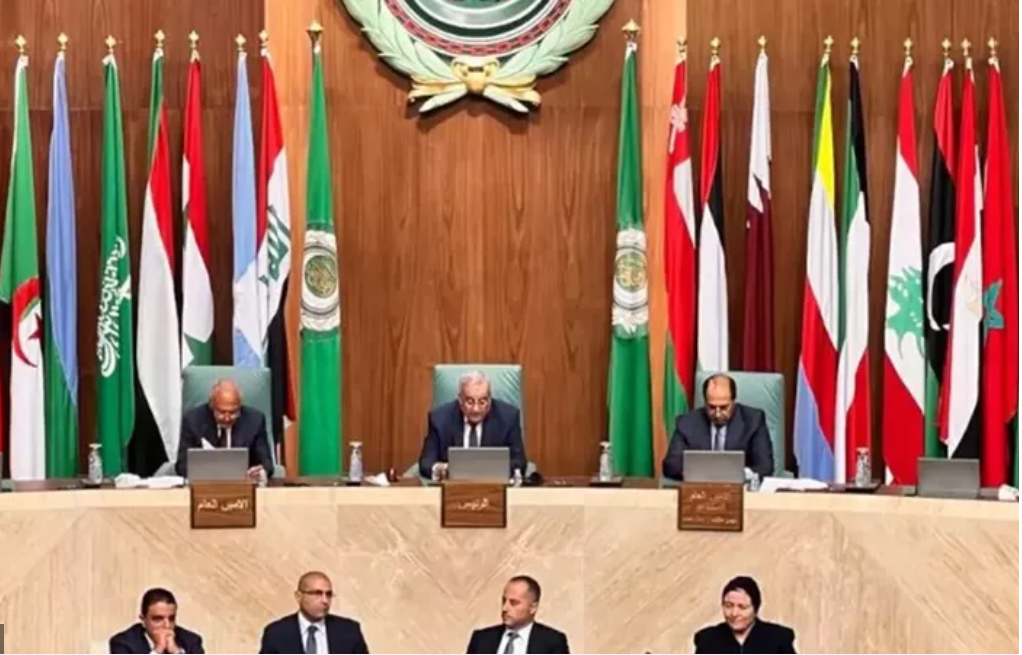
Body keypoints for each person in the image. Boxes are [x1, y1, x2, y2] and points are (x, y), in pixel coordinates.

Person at [662, 374, 774, 480]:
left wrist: (731, 475)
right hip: (700, 488)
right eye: (712, 407)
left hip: (741, 488)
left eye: (724, 407)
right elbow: (671, 465)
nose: (718, 414)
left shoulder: (753, 421)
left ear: (733, 401)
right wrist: (707, 474)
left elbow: (765, 467)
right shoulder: (686, 423)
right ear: (705, 402)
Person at [417, 371, 527, 480]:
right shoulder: (439, 419)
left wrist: (486, 470)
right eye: (470, 402)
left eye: (482, 402)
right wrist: (442, 469)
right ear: (460, 400)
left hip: (493, 485)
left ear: (489, 400)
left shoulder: (508, 418)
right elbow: (426, 462)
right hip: (453, 485)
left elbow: (519, 462)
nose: (476, 409)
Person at [175, 379, 274, 480]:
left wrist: (260, 472)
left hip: (242, 484)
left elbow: (267, 464)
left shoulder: (255, 420)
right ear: (212, 405)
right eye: (221, 412)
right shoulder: (192, 420)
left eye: (233, 412)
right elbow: (182, 465)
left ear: (240, 406)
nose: (227, 418)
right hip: (205, 484)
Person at [259, 571, 369, 654]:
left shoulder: (349, 631)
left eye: (328, 594)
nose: (325, 600)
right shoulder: (276, 633)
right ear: (299, 596)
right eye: (317, 593)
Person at [466, 576, 569, 654]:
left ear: (533, 608)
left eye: (514, 603)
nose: (505, 608)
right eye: (504, 601)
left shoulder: (552, 642)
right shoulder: (481, 639)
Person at [694, 577, 796, 654]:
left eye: (742, 607)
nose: (734, 613)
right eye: (728, 606)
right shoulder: (707, 640)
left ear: (755, 608)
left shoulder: (779, 639)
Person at [109, 588, 205, 654]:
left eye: (171, 618)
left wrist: (176, 652)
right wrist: (157, 650)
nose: (167, 625)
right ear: (143, 620)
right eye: (158, 619)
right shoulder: (123, 643)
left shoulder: (191, 641)